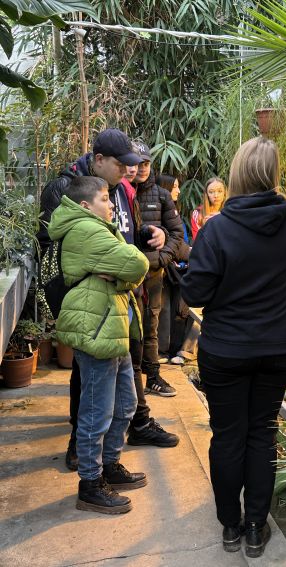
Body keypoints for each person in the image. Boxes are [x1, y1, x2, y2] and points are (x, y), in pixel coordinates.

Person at [181, 137, 286, 558]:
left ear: (234, 175)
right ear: (272, 175)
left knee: (228, 437)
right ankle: (255, 529)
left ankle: (231, 527)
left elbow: (195, 291)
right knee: (262, 436)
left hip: (228, 350)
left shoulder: (216, 229)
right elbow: (279, 210)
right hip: (277, 346)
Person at [38, 129, 178, 470]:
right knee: (90, 384)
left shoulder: (119, 190)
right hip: (88, 301)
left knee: (123, 376)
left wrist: (149, 235)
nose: (127, 170)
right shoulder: (67, 188)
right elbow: (54, 249)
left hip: (121, 294)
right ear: (98, 160)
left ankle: (126, 438)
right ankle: (84, 454)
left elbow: (126, 240)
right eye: (120, 164)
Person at [48, 176, 149, 514]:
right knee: (96, 412)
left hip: (110, 325)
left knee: (125, 405)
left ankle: (109, 466)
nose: (112, 205)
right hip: (96, 328)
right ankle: (90, 484)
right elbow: (138, 262)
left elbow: (129, 267)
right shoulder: (85, 230)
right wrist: (126, 272)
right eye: (106, 199)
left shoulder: (97, 228)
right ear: (85, 206)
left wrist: (118, 275)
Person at [131, 145, 184, 397]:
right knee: (128, 328)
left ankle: (153, 376)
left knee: (150, 326)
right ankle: (129, 382)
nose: (141, 168)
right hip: (125, 275)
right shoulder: (120, 192)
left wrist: (162, 258)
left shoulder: (162, 196)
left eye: (146, 164)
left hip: (152, 274)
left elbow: (177, 234)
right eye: (137, 163)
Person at [155, 173, 193, 364]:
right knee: (163, 308)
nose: (178, 190)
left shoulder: (175, 211)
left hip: (180, 266)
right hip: (165, 266)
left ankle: (173, 350)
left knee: (178, 310)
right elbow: (172, 240)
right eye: (175, 186)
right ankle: (160, 351)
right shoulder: (159, 211)